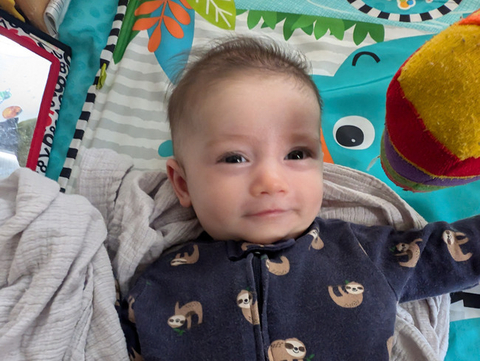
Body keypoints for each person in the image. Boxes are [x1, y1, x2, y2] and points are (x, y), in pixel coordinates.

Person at [119, 36, 480, 361]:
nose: (271, 181)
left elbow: (452, 251)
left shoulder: (360, 253)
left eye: (296, 154)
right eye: (234, 158)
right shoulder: (157, 287)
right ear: (182, 184)